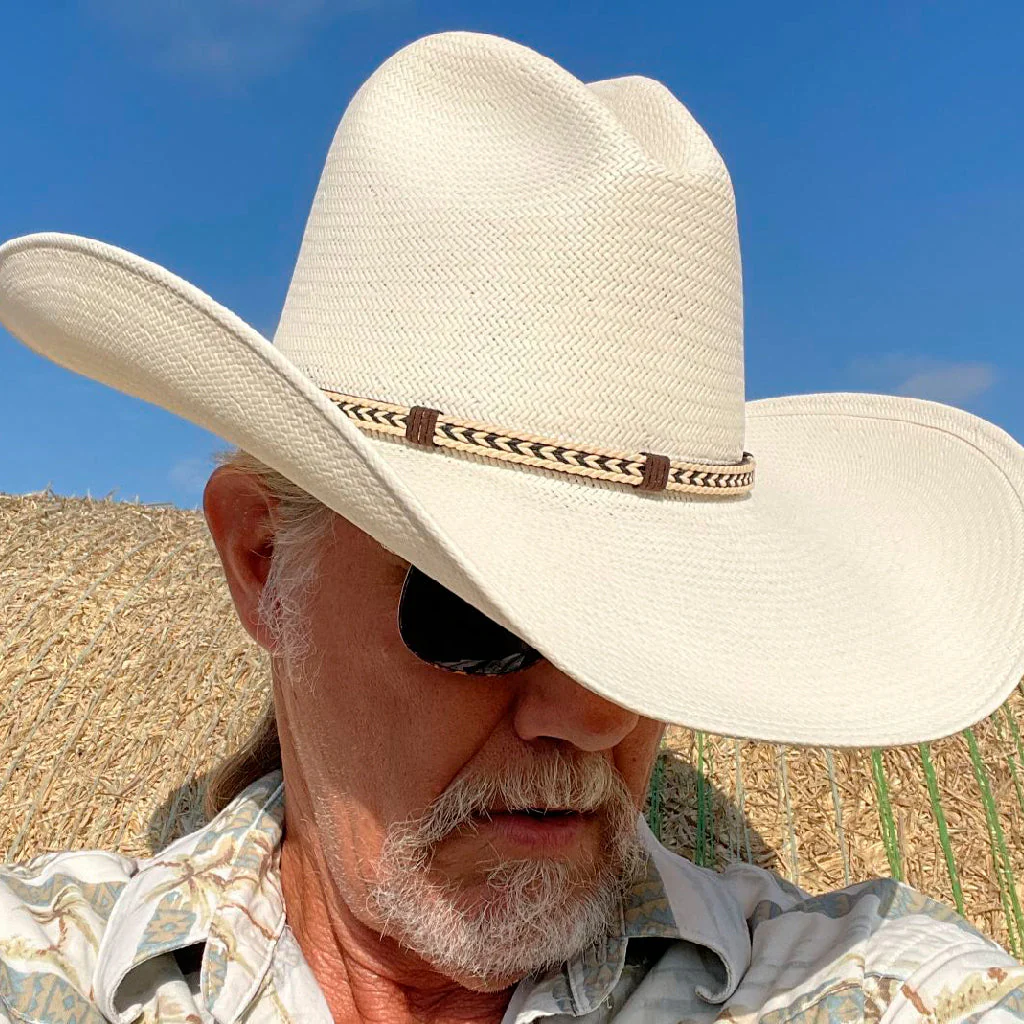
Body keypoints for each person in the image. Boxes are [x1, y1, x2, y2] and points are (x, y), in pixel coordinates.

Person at [2, 27, 1023, 1024]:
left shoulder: (867, 990)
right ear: (263, 561)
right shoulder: (41, 962)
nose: (598, 715)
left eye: (654, 624)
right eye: (480, 609)